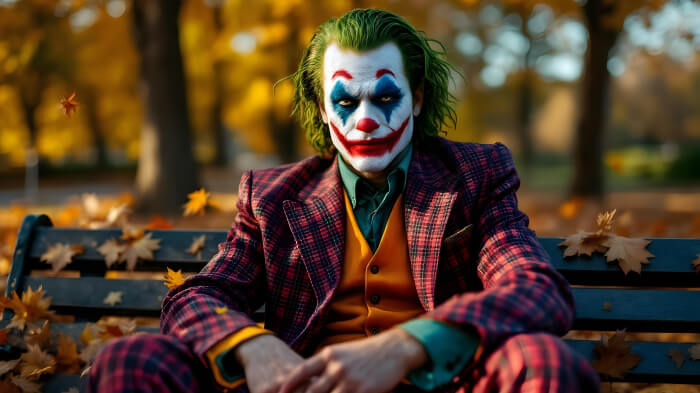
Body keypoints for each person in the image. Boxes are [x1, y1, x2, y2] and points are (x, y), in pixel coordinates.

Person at [88, 9, 600, 393]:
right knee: (132, 360)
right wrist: (252, 346)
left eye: (385, 97)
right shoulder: (270, 197)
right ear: (321, 108)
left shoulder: (475, 175)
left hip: (444, 383)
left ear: (417, 99)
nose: (366, 121)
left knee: (544, 361)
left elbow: (536, 289)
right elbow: (193, 298)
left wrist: (409, 344)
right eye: (345, 101)